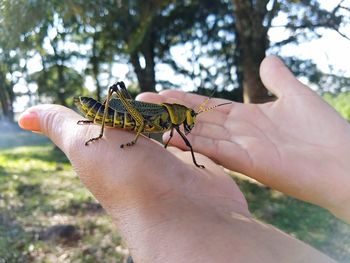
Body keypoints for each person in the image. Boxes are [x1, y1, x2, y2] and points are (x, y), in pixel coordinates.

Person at [18, 56, 349, 262]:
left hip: (131, 119)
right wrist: (117, 130)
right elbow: (155, 127)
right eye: (187, 117)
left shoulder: (176, 124)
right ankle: (104, 127)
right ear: (178, 115)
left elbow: (184, 139)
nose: (188, 122)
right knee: (123, 93)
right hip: (123, 118)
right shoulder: (161, 117)